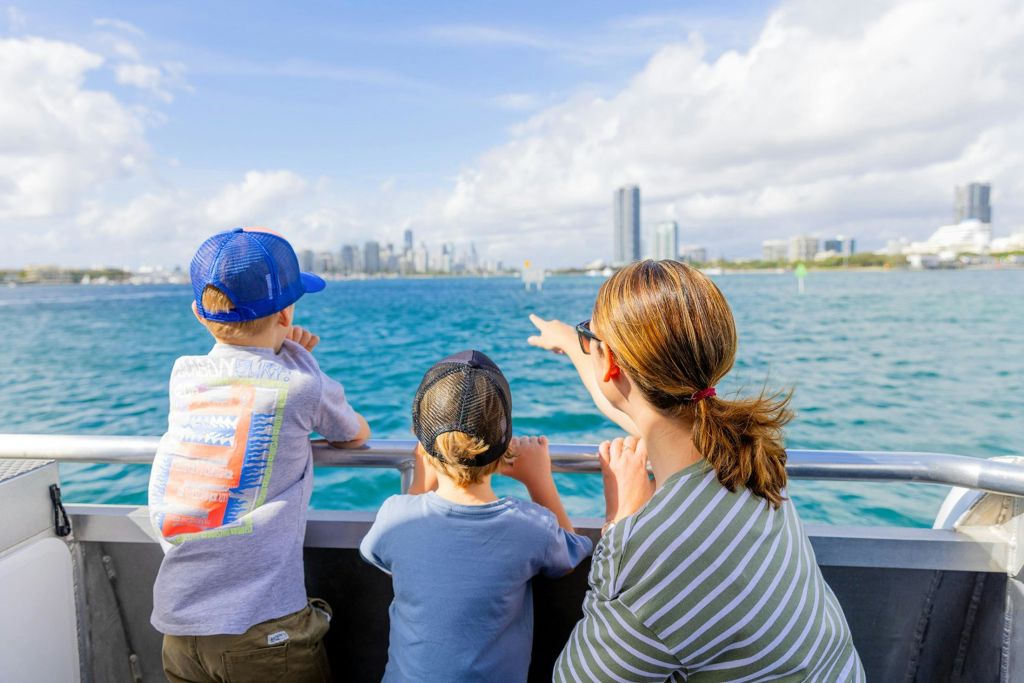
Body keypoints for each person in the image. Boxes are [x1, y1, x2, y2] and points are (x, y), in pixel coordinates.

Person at [528, 260, 865, 682]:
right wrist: (575, 343)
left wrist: (621, 523)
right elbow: (635, 407)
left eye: (589, 335)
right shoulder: (746, 451)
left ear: (610, 362)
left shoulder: (650, 549)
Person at [149, 227, 371, 683]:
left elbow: (241, 374)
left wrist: (281, 351)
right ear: (287, 312)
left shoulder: (185, 376)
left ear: (198, 313)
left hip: (179, 628)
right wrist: (296, 356)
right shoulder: (300, 383)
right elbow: (353, 433)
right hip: (262, 632)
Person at [359, 350, 592, 682]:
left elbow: (380, 555)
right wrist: (539, 479)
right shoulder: (529, 526)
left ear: (421, 442)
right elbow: (570, 552)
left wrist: (419, 481)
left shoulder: (395, 516)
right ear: (505, 442)